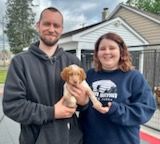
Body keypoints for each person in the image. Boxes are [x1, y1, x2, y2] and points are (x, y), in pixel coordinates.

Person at [2, 7, 88, 144]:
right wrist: (52, 112)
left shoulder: (73, 62)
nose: (52, 29)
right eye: (47, 24)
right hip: (35, 139)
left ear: (62, 29)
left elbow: (83, 105)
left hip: (71, 139)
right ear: (38, 26)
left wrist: (84, 102)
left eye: (56, 25)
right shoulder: (20, 62)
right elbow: (12, 105)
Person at [78, 32, 157, 144]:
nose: (107, 52)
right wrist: (81, 104)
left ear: (121, 51)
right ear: (97, 53)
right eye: (102, 49)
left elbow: (146, 108)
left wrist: (116, 110)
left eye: (112, 48)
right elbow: (81, 106)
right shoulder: (89, 75)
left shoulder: (133, 77)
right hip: (91, 139)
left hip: (123, 140)